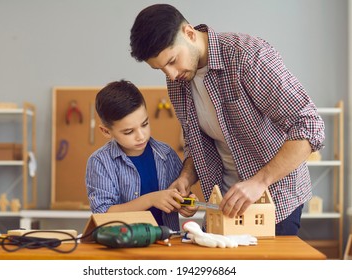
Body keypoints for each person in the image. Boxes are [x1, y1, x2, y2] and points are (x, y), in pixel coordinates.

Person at [130, 4, 325, 235]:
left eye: (172, 61)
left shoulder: (247, 56)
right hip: (223, 204)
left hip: (274, 202)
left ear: (189, 34)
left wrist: (259, 182)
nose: (171, 75)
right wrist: (185, 179)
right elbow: (197, 144)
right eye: (161, 69)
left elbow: (310, 126)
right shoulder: (178, 81)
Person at [85, 80, 197, 231]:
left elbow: (179, 195)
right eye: (129, 132)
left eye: (144, 124)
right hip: (123, 247)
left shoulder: (166, 154)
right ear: (106, 131)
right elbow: (103, 214)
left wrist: (186, 204)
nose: (141, 136)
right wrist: (151, 199)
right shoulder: (100, 162)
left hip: (166, 245)